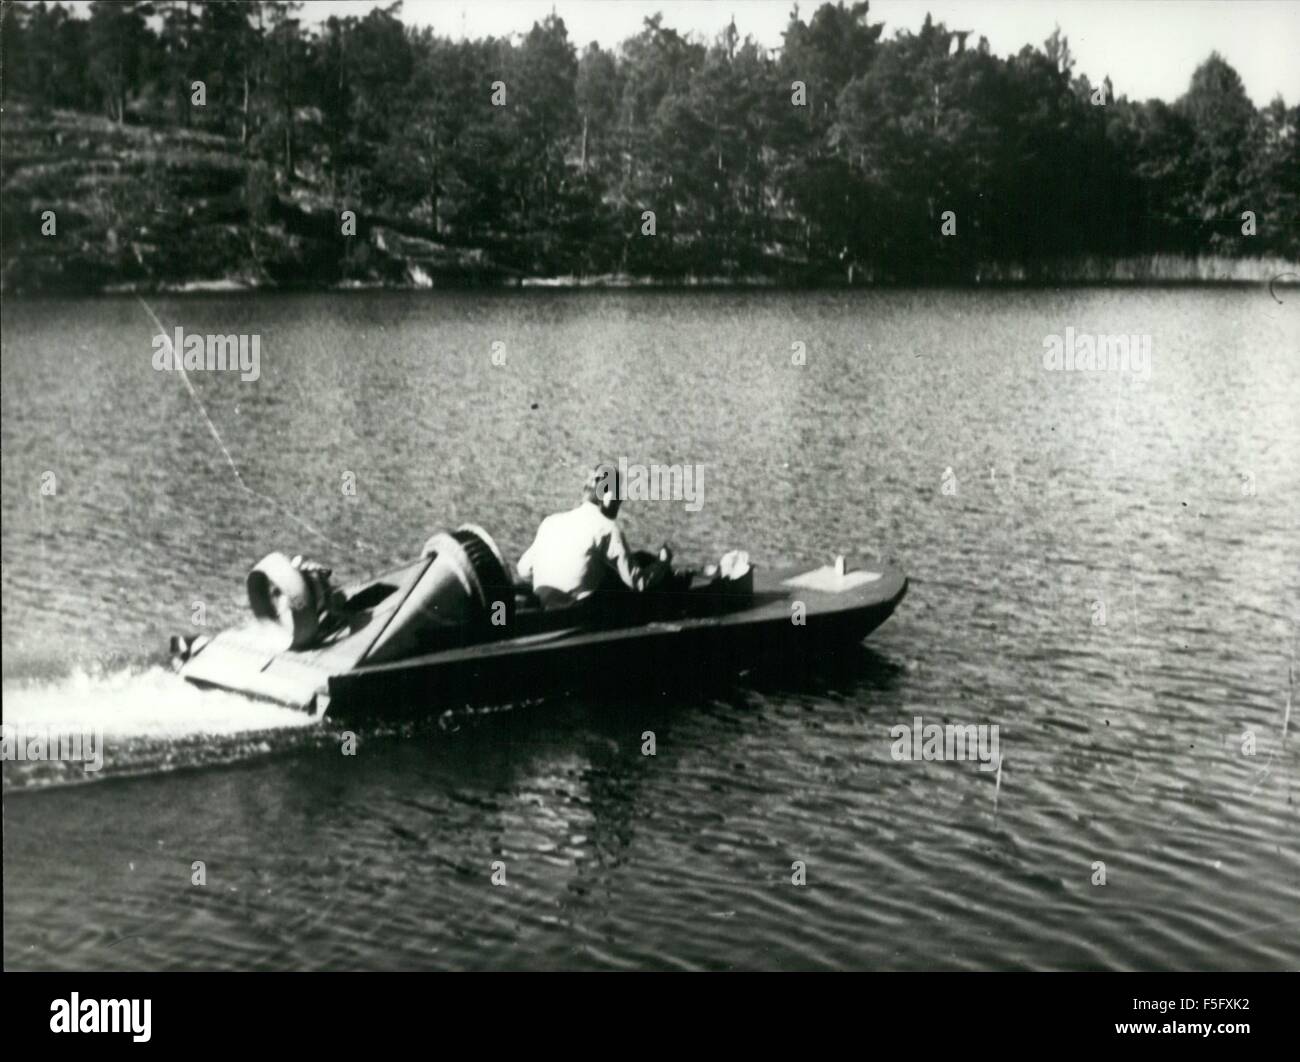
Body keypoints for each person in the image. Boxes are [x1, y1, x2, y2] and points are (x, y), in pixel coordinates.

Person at [516, 463, 672, 609]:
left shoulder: (550, 522)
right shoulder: (608, 528)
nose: (621, 500)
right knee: (631, 572)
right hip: (577, 612)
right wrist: (663, 562)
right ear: (609, 497)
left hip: (545, 603)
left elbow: (523, 570)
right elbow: (638, 583)